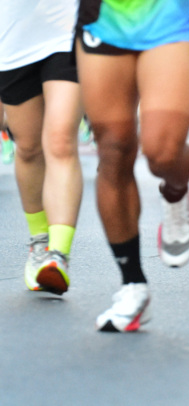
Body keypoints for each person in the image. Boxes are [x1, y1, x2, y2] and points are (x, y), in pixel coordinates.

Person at [76, 0, 189, 331]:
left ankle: (175, 192)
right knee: (113, 148)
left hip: (170, 14)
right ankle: (132, 284)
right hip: (103, 17)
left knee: (162, 152)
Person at [1, 0, 84, 295]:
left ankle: (57, 255)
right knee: (28, 147)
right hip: (12, 40)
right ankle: (39, 242)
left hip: (67, 31)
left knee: (61, 141)